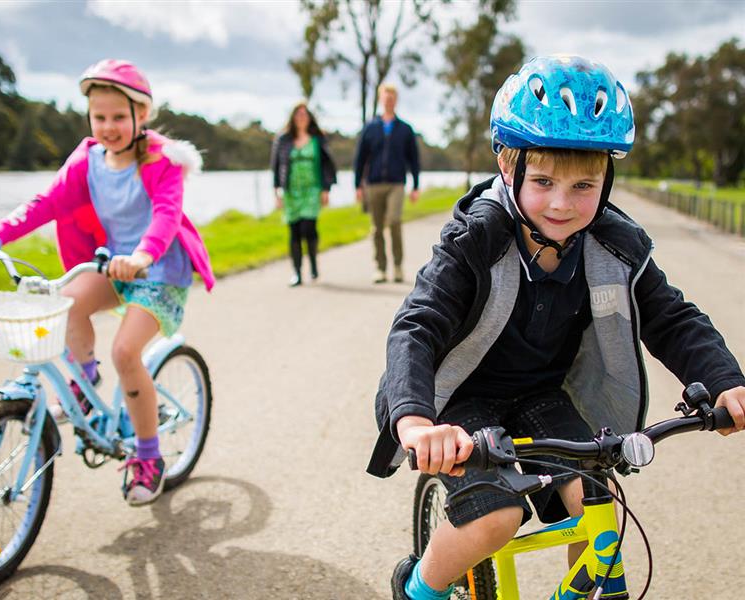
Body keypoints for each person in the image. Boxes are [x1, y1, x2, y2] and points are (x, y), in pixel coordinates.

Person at [364, 55, 745, 600]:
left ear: (607, 178)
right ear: (505, 164)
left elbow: (672, 317)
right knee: (495, 519)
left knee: (600, 512)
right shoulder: (474, 241)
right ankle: (418, 586)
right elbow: (417, 326)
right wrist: (417, 421)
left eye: (584, 185)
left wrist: (725, 379)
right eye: (542, 181)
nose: (562, 205)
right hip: (456, 404)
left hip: (541, 396)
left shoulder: (615, 246)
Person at [0, 59, 215, 507]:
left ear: (142, 115)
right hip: (113, 265)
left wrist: (142, 255)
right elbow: (46, 203)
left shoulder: (162, 160)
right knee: (64, 303)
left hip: (157, 269)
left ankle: (149, 457)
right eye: (99, 117)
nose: (109, 127)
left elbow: (165, 214)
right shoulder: (88, 159)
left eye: (119, 117)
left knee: (125, 351)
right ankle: (83, 378)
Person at [353, 83, 421, 284]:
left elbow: (414, 159)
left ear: (396, 100)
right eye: (385, 97)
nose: (389, 100)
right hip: (373, 184)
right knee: (376, 227)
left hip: (396, 183)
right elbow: (360, 158)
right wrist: (358, 185)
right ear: (381, 99)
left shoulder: (405, 129)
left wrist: (416, 185)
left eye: (392, 97)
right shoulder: (370, 128)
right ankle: (380, 268)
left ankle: (398, 266)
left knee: (394, 221)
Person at [271, 101, 337, 286]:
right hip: (291, 191)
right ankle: (297, 273)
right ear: (293, 117)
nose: (301, 118)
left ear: (309, 118)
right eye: (298, 115)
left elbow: (327, 165)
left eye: (304, 114)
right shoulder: (283, 139)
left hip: (312, 190)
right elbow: (276, 166)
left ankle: (314, 264)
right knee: (294, 232)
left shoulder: (317, 139)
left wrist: (326, 189)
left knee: (309, 228)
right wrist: (276, 192)